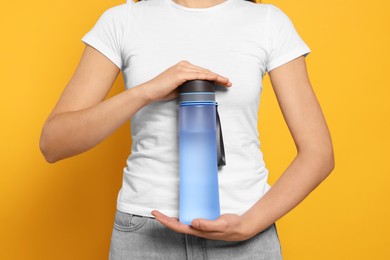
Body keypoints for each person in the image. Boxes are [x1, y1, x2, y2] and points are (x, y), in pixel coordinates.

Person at [39, 0, 334, 259]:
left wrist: (249, 224)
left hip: (246, 235)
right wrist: (146, 92)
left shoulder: (268, 21)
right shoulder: (123, 21)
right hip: (144, 235)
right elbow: (54, 143)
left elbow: (317, 154)